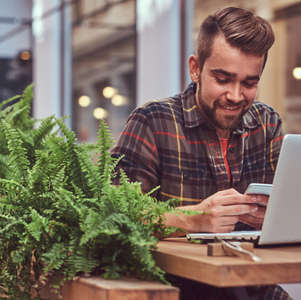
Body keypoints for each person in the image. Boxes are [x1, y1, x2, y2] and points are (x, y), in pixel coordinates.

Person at [112, 6, 291, 300]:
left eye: (249, 83)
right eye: (222, 79)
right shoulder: (153, 120)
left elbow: (286, 207)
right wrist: (193, 219)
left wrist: (277, 219)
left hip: (254, 284)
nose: (235, 96)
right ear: (195, 68)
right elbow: (115, 216)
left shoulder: (267, 122)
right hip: (176, 288)